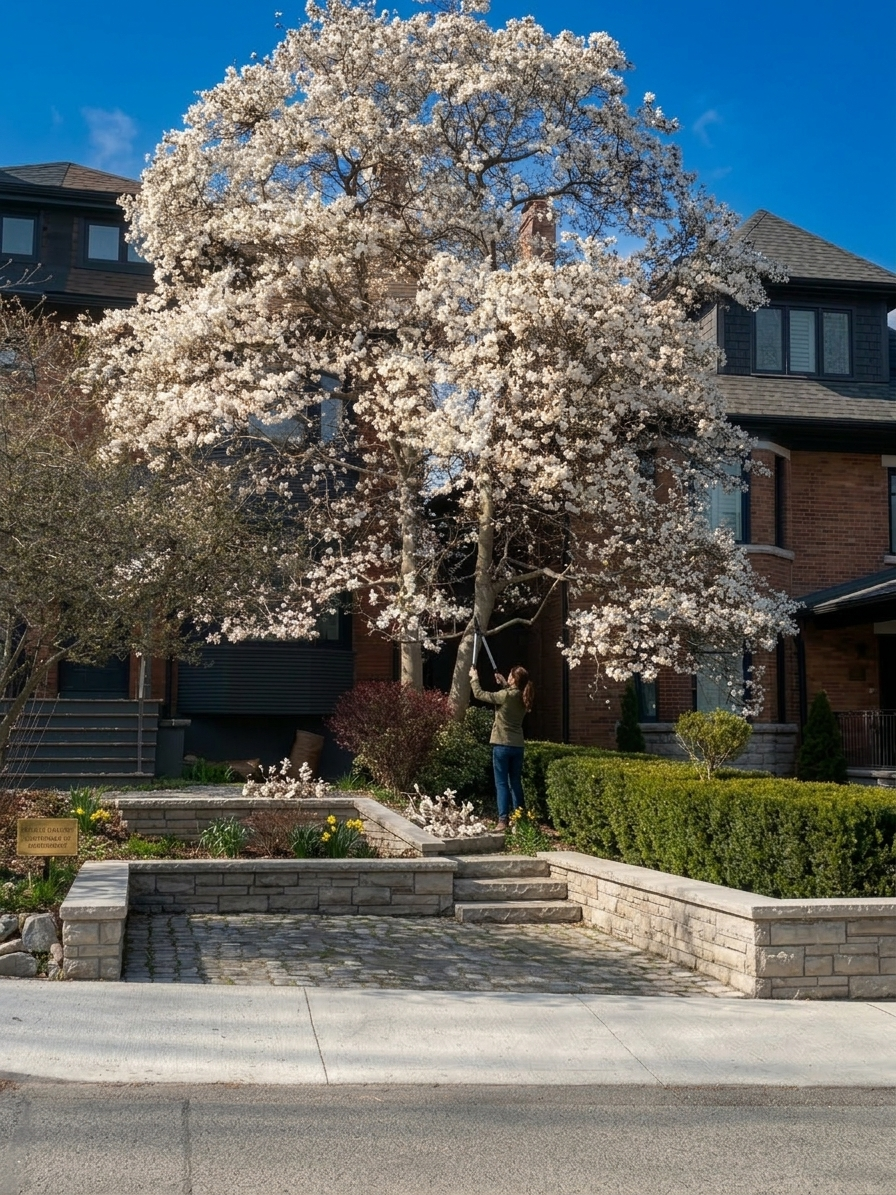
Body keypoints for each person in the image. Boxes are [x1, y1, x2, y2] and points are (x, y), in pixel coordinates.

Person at [469, 663, 535, 830]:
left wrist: (474, 678)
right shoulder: (523, 696)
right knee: (515, 782)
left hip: (502, 744)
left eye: (510, 675)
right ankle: (521, 819)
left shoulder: (505, 695)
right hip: (517, 745)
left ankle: (503, 820)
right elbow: (511, 694)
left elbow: (479, 694)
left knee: (501, 783)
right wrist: (505, 683)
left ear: (514, 680)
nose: (508, 676)